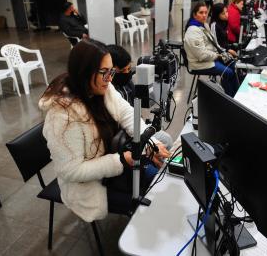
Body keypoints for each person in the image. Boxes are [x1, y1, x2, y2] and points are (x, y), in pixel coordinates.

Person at [39, 40, 170, 222]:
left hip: (113, 158)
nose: (110, 78)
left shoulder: (103, 88)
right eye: (104, 72)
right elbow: (71, 171)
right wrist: (122, 160)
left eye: (112, 72)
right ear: (84, 72)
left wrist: (150, 143)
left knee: (161, 154)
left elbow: (127, 113)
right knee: (156, 185)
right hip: (90, 185)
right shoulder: (63, 117)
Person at [106, 44, 174, 149]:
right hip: (120, 134)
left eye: (129, 69)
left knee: (166, 140)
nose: (127, 73)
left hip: (135, 124)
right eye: (123, 70)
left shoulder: (128, 83)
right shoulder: (109, 90)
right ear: (111, 71)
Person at [184, 1, 239, 97]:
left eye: (206, 12)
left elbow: (215, 44)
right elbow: (201, 55)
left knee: (233, 65)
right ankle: (231, 100)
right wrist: (218, 56)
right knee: (228, 72)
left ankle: (236, 96)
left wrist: (224, 53)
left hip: (210, 58)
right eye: (201, 13)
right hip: (199, 64)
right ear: (194, 14)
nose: (204, 15)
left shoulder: (203, 25)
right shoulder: (192, 31)